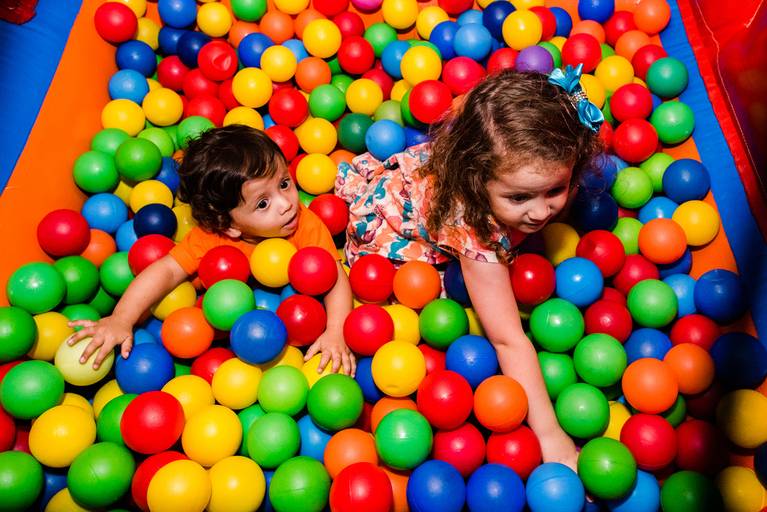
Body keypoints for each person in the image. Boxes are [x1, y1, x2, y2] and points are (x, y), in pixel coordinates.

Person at [335, 66, 604, 469]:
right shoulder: (475, 228)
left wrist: (533, 199)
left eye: (555, 190)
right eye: (519, 198)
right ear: (476, 178)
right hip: (393, 235)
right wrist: (551, 437)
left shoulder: (534, 160)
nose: (540, 212)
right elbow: (508, 340)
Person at [68, 125, 356, 376]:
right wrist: (122, 318)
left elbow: (333, 277)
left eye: (284, 183)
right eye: (263, 203)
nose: (287, 203)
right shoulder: (210, 237)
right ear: (229, 225)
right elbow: (166, 271)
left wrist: (336, 331)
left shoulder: (304, 223)